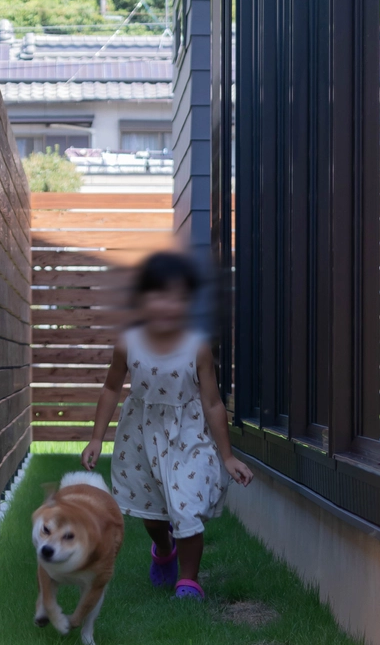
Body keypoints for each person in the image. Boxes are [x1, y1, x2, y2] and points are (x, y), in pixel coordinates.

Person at [81, 250, 253, 600]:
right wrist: (96, 438)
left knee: (186, 507)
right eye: (157, 295)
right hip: (141, 436)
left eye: (176, 297)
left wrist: (228, 457)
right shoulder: (128, 343)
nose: (166, 305)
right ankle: (164, 549)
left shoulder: (197, 347)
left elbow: (212, 402)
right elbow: (112, 387)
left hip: (187, 436)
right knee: (153, 513)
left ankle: (188, 580)